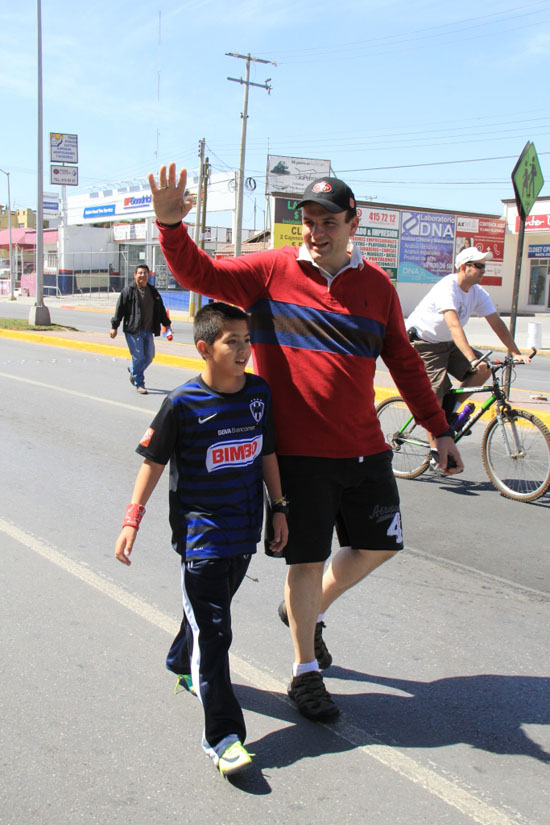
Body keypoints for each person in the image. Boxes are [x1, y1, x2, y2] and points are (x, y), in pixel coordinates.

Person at [148, 164, 462, 722]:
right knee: (307, 560)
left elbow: (406, 364)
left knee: (381, 545)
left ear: (353, 223)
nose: (316, 231)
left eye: (328, 221)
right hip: (300, 454)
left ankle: (307, 615)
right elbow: (201, 272)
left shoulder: (377, 287)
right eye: (308, 221)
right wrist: (171, 226)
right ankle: (304, 673)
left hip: (366, 448)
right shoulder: (271, 271)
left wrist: (438, 428)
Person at [114, 301, 288, 777]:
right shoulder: (183, 403)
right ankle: (223, 737)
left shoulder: (259, 394)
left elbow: (267, 451)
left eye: (247, 341)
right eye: (233, 342)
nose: (244, 351)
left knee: (207, 613)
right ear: (205, 348)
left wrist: (279, 507)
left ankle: (177, 658)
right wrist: (133, 518)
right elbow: (152, 461)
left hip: (243, 531)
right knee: (215, 631)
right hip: (201, 536)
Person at [406, 246, 531, 460]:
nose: (484, 270)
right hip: (424, 342)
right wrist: (471, 358)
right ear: (463, 267)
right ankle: (436, 450)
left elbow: (496, 323)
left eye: (485, 266)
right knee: (435, 390)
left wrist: (516, 352)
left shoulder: (477, 293)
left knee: (483, 369)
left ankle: (449, 410)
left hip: (448, 343)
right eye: (479, 266)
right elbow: (455, 327)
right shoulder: (448, 287)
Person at [110, 264, 172, 394]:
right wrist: (114, 327)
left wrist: (167, 324)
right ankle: (139, 384)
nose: (142, 276)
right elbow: (119, 310)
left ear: (148, 275)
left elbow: (160, 310)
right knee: (138, 356)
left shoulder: (153, 292)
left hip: (148, 330)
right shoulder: (128, 291)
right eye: (140, 273)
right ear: (135, 275)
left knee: (149, 356)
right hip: (133, 330)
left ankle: (133, 370)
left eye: (145, 273)